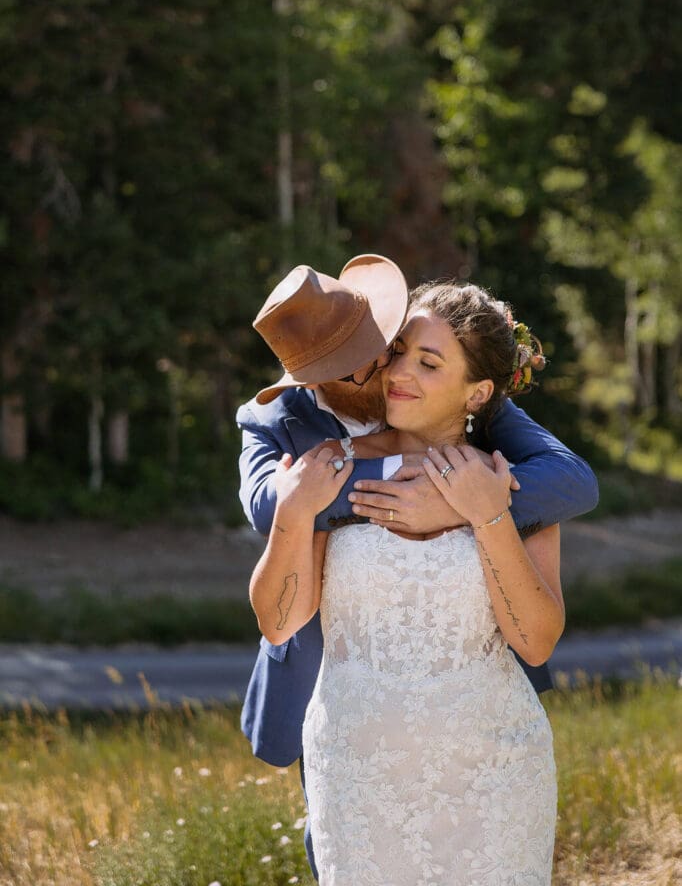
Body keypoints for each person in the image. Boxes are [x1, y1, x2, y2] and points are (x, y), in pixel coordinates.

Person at [237, 254, 598, 878]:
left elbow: (537, 637)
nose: (395, 373)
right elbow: (276, 597)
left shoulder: (503, 471)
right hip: (356, 759)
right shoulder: (310, 451)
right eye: (400, 354)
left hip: (492, 761)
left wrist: (477, 509)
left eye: (419, 359)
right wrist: (310, 508)